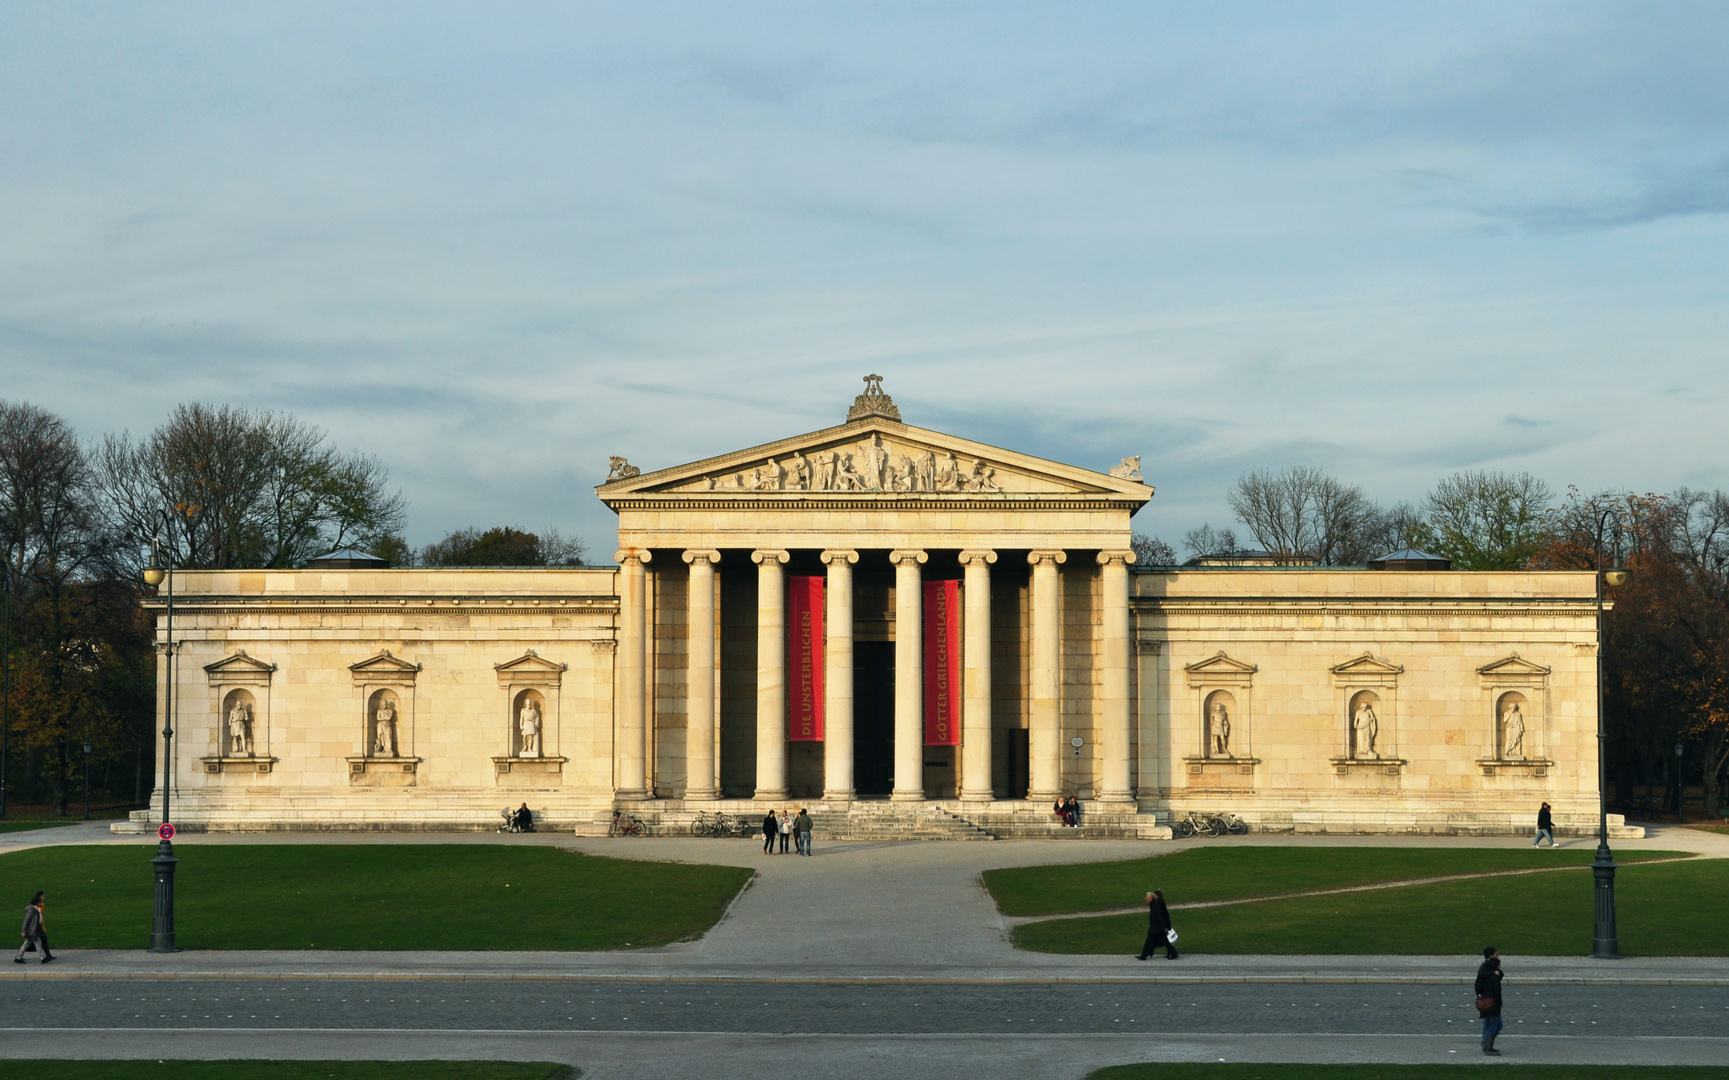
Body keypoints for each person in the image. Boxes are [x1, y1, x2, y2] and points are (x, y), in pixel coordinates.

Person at [1476, 947, 1504, 1055]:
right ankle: (1487, 1045)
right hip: (1490, 1001)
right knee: (1494, 1024)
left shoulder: (1488, 970)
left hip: (1485, 999)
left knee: (1489, 1023)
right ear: (1491, 955)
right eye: (1496, 954)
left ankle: (1486, 1043)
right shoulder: (1488, 970)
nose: (1498, 956)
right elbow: (1496, 991)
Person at [1137, 889, 1178, 960]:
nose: (1145, 899)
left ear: (1150, 898)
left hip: (1156, 927)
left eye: (1147, 897)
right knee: (1164, 941)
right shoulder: (1154, 904)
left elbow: (1160, 916)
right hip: (1158, 927)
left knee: (1149, 940)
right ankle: (1173, 952)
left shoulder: (1155, 905)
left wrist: (1164, 927)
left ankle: (1144, 955)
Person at [14, 892, 52, 964]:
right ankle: (43, 958)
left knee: (27, 944)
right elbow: (26, 920)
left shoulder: (35, 909)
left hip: (32, 930)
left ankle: (18, 957)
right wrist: (23, 931)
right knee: (37, 944)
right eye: (39, 902)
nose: (41, 903)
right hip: (32, 931)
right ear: (36, 903)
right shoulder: (32, 910)